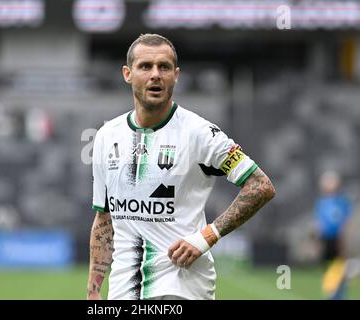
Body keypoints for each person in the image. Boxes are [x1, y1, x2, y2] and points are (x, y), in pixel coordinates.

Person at [87, 34, 276, 300]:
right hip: (123, 289)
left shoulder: (200, 133)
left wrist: (206, 237)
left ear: (176, 75)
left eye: (164, 67)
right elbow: (104, 219)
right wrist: (93, 289)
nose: (155, 75)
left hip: (181, 285)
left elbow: (261, 185)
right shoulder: (107, 136)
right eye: (145, 66)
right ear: (127, 74)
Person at [316, 171, 353, 300]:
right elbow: (321, 224)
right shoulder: (321, 203)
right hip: (327, 241)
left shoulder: (342, 202)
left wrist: (343, 243)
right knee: (328, 270)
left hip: (339, 241)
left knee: (340, 270)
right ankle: (332, 294)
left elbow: (345, 224)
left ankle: (338, 295)